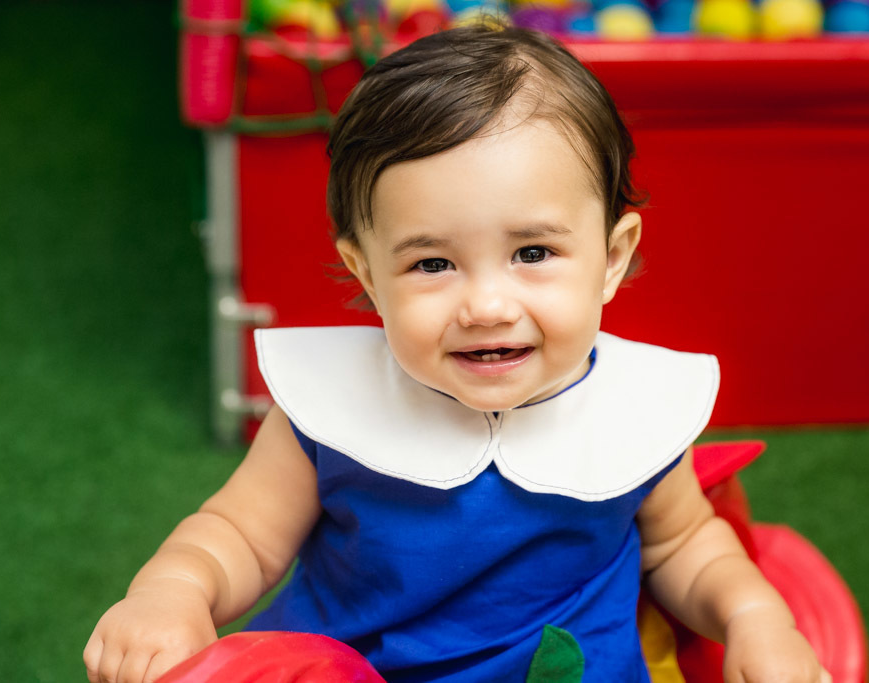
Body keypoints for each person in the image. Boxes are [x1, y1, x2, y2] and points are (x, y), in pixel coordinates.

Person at [84, 24, 830, 683]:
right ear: (366, 272)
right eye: (432, 264)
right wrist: (172, 591)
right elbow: (238, 536)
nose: (486, 306)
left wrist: (755, 616)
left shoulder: (630, 412)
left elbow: (686, 547)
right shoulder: (330, 411)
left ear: (610, 256)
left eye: (532, 251)